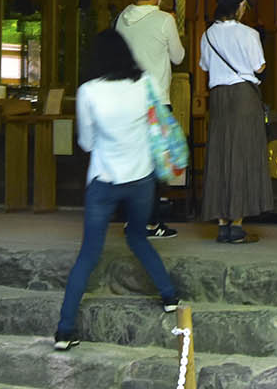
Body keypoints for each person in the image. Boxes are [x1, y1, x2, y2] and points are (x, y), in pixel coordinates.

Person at [52, 30, 179, 351]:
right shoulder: (144, 83)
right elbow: (158, 124)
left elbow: (86, 142)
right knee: (137, 237)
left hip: (104, 180)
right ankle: (169, 296)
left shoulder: (88, 91)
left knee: (88, 254)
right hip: (141, 180)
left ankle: (65, 330)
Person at [113, 0, 184, 238]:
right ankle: (151, 222)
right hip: (155, 102)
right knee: (155, 165)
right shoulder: (164, 20)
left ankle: (131, 219)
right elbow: (178, 57)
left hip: (127, 101)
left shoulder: (121, 18)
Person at [198, 0, 271, 243]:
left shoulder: (207, 35)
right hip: (243, 96)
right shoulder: (248, 34)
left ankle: (221, 224)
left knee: (219, 154)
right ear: (240, 6)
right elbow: (259, 67)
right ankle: (237, 224)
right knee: (242, 156)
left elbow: (205, 65)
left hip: (218, 98)